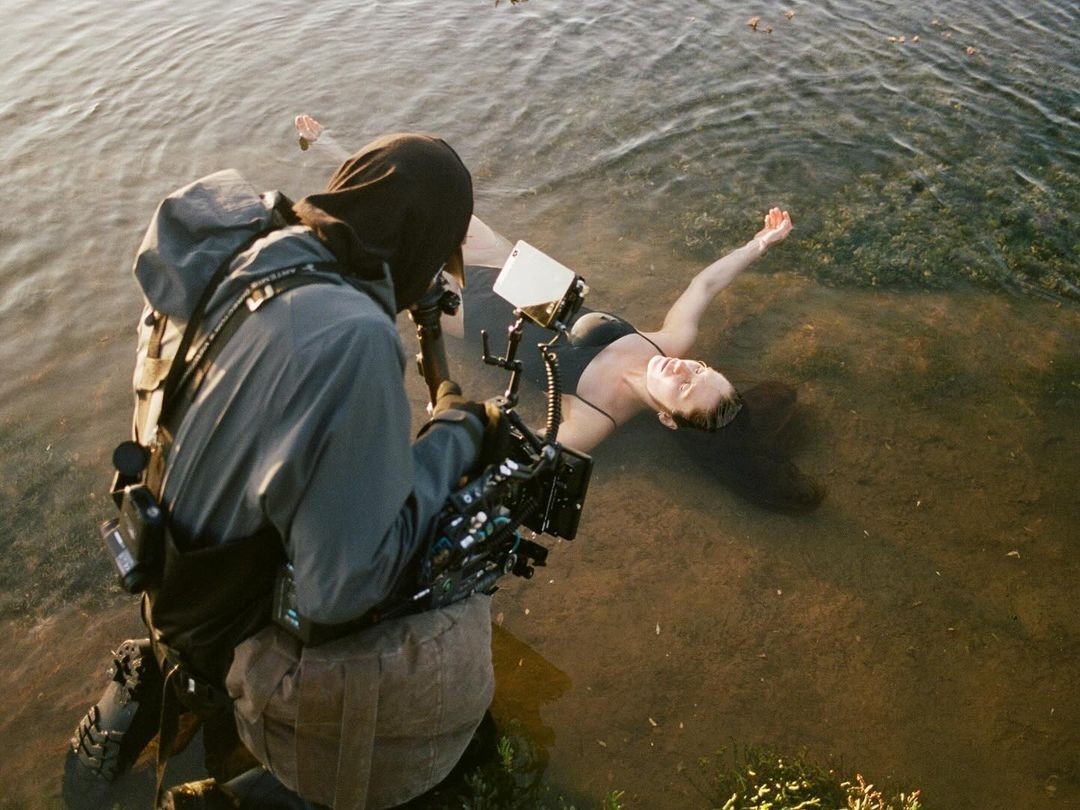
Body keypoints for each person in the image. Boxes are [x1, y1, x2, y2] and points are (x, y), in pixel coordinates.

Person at [65, 134, 503, 809]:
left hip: (163, 566)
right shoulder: (352, 339)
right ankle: (248, 784)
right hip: (225, 631)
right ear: (420, 243)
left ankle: (154, 675)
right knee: (450, 607)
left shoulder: (248, 252)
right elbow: (341, 590)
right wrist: (456, 431)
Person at [456, 212, 825, 512]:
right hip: (512, 270)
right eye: (700, 369)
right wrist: (759, 243)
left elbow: (516, 454)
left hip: (466, 313)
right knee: (431, 188)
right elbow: (705, 286)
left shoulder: (594, 419)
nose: (682, 367)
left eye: (684, 387)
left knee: (400, 254)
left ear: (667, 418)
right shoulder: (669, 343)